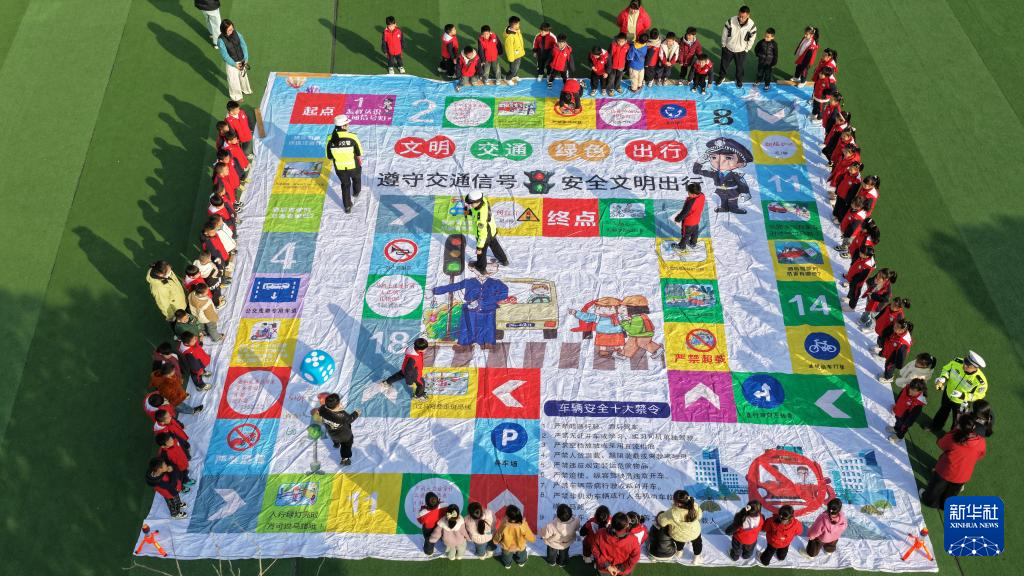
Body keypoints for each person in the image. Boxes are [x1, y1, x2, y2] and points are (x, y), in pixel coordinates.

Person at [921, 413, 986, 508]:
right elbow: (980, 456)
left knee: (935, 489)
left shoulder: (953, 438)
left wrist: (954, 430)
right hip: (963, 476)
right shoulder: (981, 441)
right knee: (951, 494)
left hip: (945, 472)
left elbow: (941, 444)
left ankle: (930, 501)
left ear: (960, 427)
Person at [692, 137, 753, 214]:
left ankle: (734, 208)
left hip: (732, 193)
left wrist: (745, 193)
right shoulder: (714, 173)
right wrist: (700, 161)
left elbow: (742, 185)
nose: (720, 161)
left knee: (732, 202)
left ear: (740, 163)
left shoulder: (736, 175)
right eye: (714, 157)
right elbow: (696, 171)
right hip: (720, 192)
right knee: (723, 202)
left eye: (728, 158)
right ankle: (724, 208)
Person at [931, 351, 988, 433]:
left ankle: (952, 436)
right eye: (965, 362)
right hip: (948, 393)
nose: (964, 365)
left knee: (958, 421)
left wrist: (963, 395)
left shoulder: (980, 382)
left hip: (962, 403)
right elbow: (947, 369)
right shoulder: (957, 361)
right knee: (943, 410)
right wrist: (943, 378)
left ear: (975, 368)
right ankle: (935, 426)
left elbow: (979, 395)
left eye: (968, 365)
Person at [326, 115, 363, 214]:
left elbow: (329, 156)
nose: (348, 125)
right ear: (343, 126)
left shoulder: (329, 138)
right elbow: (359, 153)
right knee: (356, 179)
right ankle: (356, 192)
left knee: (345, 185)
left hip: (340, 168)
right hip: (353, 166)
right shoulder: (352, 136)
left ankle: (347, 206)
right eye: (347, 124)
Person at [463, 190, 508, 272]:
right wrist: (470, 212)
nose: (470, 205)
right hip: (491, 230)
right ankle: (504, 260)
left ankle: (480, 267)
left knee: (481, 253)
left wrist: (479, 247)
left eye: (471, 203)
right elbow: (476, 210)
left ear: (477, 202)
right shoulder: (483, 200)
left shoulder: (481, 218)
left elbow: (482, 234)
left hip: (485, 236)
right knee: (495, 246)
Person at [657, 490, 703, 564]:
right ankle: (696, 558)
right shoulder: (695, 506)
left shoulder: (672, 512)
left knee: (679, 540)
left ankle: (679, 552)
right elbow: (700, 516)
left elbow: (662, 522)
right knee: (697, 543)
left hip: (678, 534)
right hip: (694, 532)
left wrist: (660, 515)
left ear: (678, 503)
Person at [717, 6, 757, 87]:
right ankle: (721, 77)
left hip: (741, 51)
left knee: (740, 67)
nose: (741, 18)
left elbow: (752, 39)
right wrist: (723, 44)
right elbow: (724, 33)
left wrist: (747, 49)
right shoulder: (731, 21)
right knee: (724, 64)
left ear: (748, 16)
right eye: (740, 16)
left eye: (743, 17)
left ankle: (739, 80)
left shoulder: (752, 26)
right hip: (728, 48)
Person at [318, 393, 360, 466]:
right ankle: (345, 459)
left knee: (335, 438)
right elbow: (350, 419)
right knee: (346, 445)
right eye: (339, 402)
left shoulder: (322, 409)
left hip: (331, 432)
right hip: (344, 435)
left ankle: (336, 444)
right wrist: (356, 413)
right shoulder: (341, 415)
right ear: (337, 405)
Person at [217, 20, 252, 102]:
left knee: (243, 76)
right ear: (224, 30)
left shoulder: (237, 34)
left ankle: (245, 89)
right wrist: (234, 64)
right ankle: (236, 96)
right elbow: (225, 56)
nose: (232, 31)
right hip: (231, 63)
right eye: (229, 30)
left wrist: (246, 58)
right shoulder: (221, 41)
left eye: (232, 28)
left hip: (241, 59)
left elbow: (243, 45)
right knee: (233, 80)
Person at [147, 261, 187, 325]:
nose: (171, 271)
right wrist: (171, 316)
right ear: (161, 274)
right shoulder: (159, 288)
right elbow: (163, 304)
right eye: (169, 271)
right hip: (177, 309)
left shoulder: (165, 271)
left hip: (181, 302)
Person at [891, 378, 928, 442]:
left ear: (919, 392)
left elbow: (913, 417)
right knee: (897, 422)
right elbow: (900, 396)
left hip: (905, 419)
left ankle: (899, 436)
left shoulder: (918, 403)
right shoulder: (907, 388)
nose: (910, 391)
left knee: (902, 428)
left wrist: (906, 424)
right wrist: (896, 404)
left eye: (913, 390)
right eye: (910, 388)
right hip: (899, 412)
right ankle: (896, 429)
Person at [840, 245, 875, 311]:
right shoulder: (862, 257)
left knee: (855, 293)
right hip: (853, 278)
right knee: (851, 288)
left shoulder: (867, 266)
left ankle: (851, 307)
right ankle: (849, 297)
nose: (860, 253)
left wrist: (854, 281)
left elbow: (861, 278)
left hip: (857, 283)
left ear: (866, 256)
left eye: (861, 252)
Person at [673, 182, 706, 251]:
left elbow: (684, 213)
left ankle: (681, 246)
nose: (688, 193)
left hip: (688, 222)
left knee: (685, 235)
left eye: (688, 192)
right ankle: (693, 243)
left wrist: (677, 219)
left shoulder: (690, 202)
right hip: (696, 220)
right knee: (695, 232)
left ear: (693, 195)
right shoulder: (702, 195)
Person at [504, 17, 525, 84]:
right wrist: (511, 58)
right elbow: (509, 48)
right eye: (518, 24)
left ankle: (514, 76)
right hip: (513, 56)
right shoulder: (510, 37)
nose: (519, 25)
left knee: (516, 67)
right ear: (514, 25)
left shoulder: (517, 30)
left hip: (518, 54)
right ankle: (508, 78)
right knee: (513, 69)